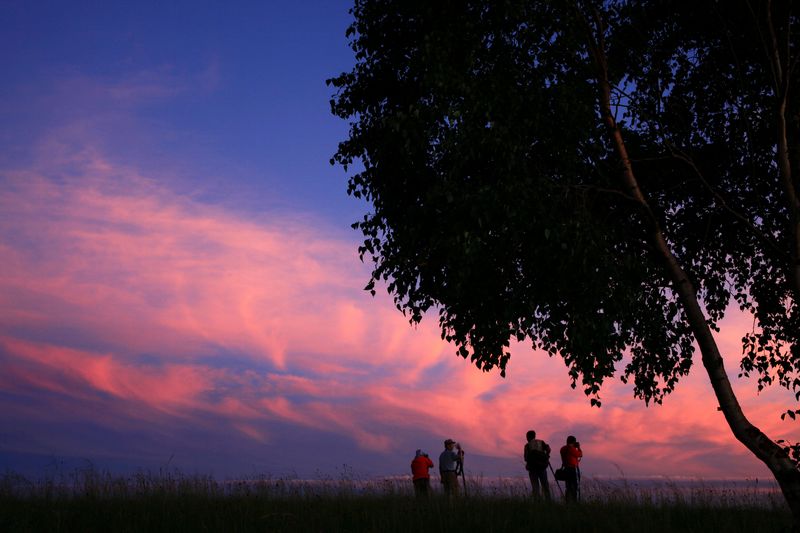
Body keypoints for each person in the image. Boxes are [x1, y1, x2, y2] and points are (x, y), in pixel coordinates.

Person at [523, 430, 551, 500]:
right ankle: (549, 502)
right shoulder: (541, 442)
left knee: (535, 487)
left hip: (532, 469)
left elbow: (526, 458)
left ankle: (537, 503)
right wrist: (547, 457)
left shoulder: (527, 445)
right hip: (542, 467)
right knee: (545, 486)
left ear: (528, 437)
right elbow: (548, 449)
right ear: (534, 436)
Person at [559, 435, 583, 503]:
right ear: (573, 442)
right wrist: (578, 447)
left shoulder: (562, 448)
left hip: (566, 469)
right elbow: (580, 454)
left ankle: (567, 501)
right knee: (574, 487)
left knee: (568, 487)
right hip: (571, 469)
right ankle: (574, 501)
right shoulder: (571, 449)